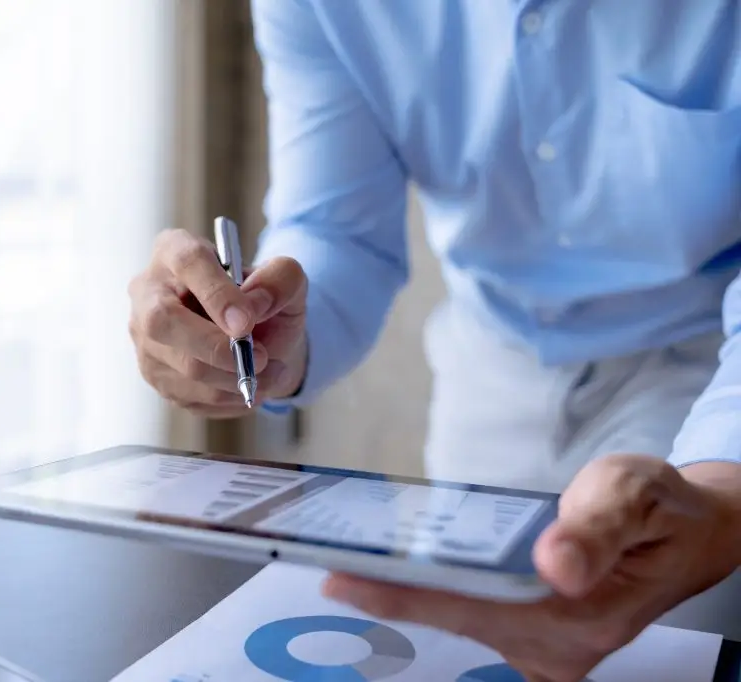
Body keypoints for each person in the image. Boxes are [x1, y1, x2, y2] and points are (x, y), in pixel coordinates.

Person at [128, 2, 741, 679]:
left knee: (686, 648)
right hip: (490, 367)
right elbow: (336, 230)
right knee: (471, 651)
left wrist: (723, 484)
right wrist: (266, 340)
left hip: (708, 364)